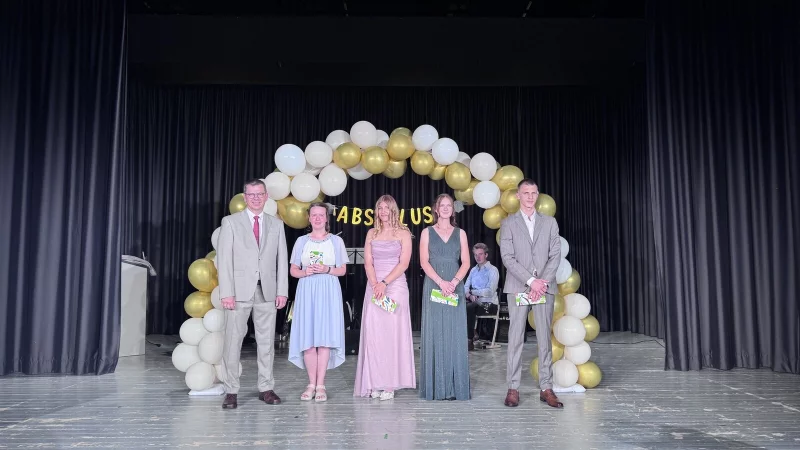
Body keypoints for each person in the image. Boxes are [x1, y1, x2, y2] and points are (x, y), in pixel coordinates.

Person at [217, 179, 288, 409]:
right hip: (237, 292)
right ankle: (231, 390)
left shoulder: (276, 224)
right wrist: (226, 292)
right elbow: (224, 260)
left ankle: (266, 388)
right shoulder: (230, 222)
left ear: (266, 196)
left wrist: (282, 291)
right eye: (251, 194)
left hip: (267, 291)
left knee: (267, 343)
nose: (256, 198)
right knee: (232, 342)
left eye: (260, 194)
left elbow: (281, 261)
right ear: (245, 197)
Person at [499, 179, 562, 408]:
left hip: (544, 287)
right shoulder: (508, 223)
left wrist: (541, 282)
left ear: (537, 195)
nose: (529, 197)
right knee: (515, 339)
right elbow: (507, 257)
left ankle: (546, 387)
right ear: (518, 195)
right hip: (518, 286)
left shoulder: (550, 222)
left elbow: (555, 254)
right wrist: (531, 281)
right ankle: (513, 388)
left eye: (533, 193)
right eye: (525, 193)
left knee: (544, 338)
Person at [353, 195, 415, 400]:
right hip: (375, 286)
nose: (383, 212)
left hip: (394, 286)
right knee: (374, 335)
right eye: (379, 208)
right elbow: (368, 262)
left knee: (391, 335)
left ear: (393, 210)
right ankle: (374, 382)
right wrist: (374, 284)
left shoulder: (403, 233)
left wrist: (384, 283)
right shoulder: (372, 232)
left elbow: (403, 263)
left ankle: (389, 383)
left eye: (386, 208)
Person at [288, 203, 348, 402]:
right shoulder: (301, 241)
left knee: (324, 339)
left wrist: (327, 270)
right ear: (309, 218)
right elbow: (293, 270)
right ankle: (310, 384)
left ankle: (321, 385)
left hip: (328, 291)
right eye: (314, 215)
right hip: (307, 290)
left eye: (321, 215)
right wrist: (306, 272)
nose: (317, 218)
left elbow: (342, 270)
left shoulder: (336, 241)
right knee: (308, 340)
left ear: (326, 218)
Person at [419, 193, 471, 400]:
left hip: (454, 286)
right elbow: (424, 261)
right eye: (443, 205)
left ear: (453, 209)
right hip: (434, 285)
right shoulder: (426, 232)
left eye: (450, 205)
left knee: (454, 335)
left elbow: (466, 262)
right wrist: (441, 283)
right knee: (435, 333)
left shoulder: (461, 233)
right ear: (436, 209)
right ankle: (436, 387)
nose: (446, 208)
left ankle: (454, 387)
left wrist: (454, 283)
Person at [464, 243, 500, 350]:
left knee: (469, 307)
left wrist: (473, 293)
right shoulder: (473, 270)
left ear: (486, 255)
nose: (478, 257)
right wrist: (469, 295)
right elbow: (465, 287)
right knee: (457, 305)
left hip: (489, 304)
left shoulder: (493, 270)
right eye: (475, 255)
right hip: (474, 303)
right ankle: (467, 335)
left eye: (480, 254)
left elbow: (490, 291)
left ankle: (469, 339)